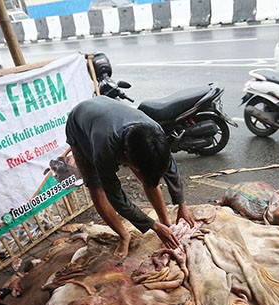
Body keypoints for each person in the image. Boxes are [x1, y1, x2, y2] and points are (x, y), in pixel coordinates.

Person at [65, 96, 195, 258]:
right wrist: (152, 225)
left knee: (149, 176)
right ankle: (123, 235)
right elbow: (116, 197)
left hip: (109, 114)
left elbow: (171, 169)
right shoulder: (104, 149)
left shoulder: (155, 134)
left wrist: (181, 204)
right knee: (96, 187)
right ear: (126, 157)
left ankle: (166, 224)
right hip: (80, 125)